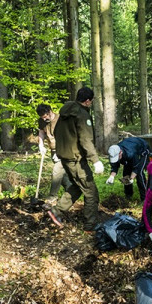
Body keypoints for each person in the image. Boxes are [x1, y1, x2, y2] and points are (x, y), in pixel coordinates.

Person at [47, 87, 104, 231]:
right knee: (91, 192)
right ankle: (90, 225)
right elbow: (86, 140)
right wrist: (95, 160)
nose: (90, 104)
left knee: (78, 187)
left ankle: (56, 211)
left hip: (65, 158)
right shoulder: (82, 115)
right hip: (76, 160)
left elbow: (55, 132)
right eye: (91, 101)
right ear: (87, 101)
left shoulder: (64, 113)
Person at [36, 104, 72, 203]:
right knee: (63, 176)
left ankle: (52, 196)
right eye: (42, 118)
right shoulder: (42, 121)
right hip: (53, 151)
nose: (44, 119)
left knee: (57, 171)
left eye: (45, 117)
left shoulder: (61, 119)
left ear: (49, 112)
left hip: (64, 150)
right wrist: (41, 145)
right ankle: (70, 193)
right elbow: (41, 133)